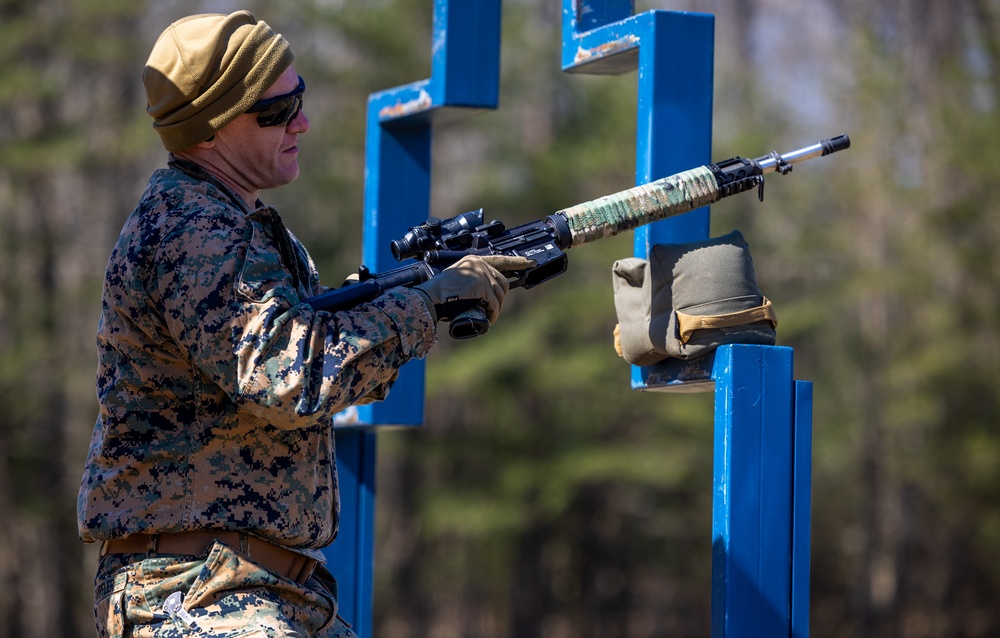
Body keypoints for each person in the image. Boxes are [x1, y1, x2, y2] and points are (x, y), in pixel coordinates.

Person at [77, 11, 530, 637]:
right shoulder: (199, 231)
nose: (302, 123)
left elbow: (292, 364)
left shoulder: (229, 225)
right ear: (209, 130)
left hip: (255, 588)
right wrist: (424, 306)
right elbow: (293, 376)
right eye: (276, 111)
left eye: (300, 99)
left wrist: (388, 309)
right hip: (195, 592)